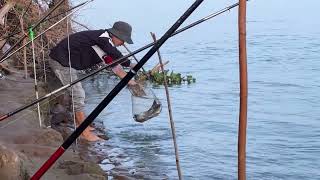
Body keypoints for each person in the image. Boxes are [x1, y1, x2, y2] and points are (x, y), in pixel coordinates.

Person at [48, 21, 138, 141]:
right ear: (116, 36)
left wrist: (132, 83)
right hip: (60, 62)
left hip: (68, 64)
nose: (123, 44)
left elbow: (115, 66)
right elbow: (114, 53)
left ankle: (80, 123)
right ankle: (83, 132)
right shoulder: (102, 38)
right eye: (123, 40)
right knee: (78, 94)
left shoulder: (103, 44)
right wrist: (130, 63)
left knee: (77, 94)